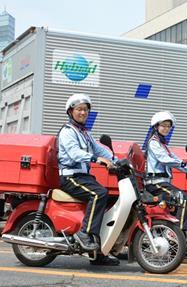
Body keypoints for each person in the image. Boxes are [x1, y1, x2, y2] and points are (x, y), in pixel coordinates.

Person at [58, 93, 119, 266]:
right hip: (71, 176)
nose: (83, 113)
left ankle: (98, 253)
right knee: (99, 194)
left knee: (108, 204)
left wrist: (117, 160)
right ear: (71, 111)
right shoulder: (67, 132)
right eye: (79, 109)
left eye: (85, 110)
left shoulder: (85, 133)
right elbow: (74, 153)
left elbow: (99, 149)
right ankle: (84, 233)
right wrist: (96, 160)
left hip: (83, 176)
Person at [144, 111, 187, 233]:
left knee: (180, 202)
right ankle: (178, 236)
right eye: (163, 125)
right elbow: (165, 160)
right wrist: (185, 165)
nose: (166, 128)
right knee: (185, 199)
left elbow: (175, 159)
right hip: (155, 184)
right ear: (156, 126)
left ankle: (174, 237)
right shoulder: (153, 142)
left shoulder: (163, 144)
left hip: (163, 183)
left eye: (168, 126)